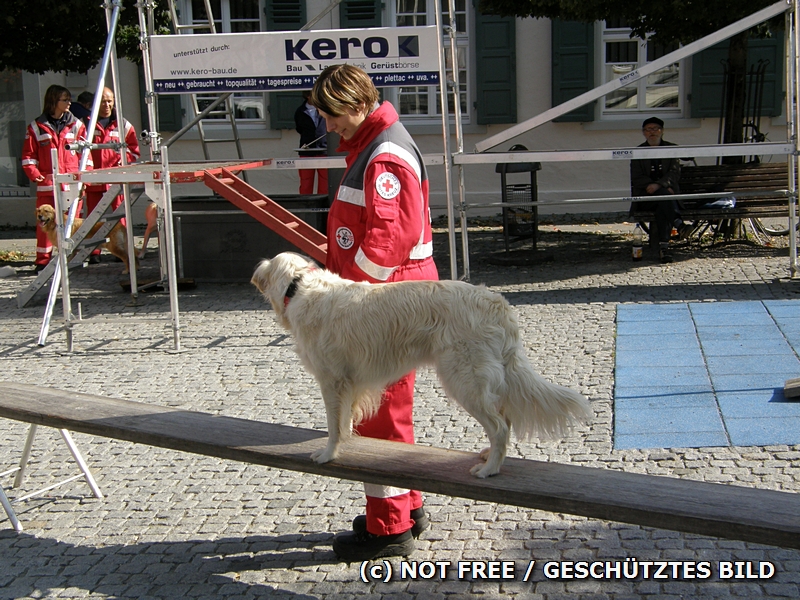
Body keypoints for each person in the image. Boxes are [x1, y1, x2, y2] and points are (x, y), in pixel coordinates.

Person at [310, 64, 438, 562]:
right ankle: (406, 507)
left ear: (356, 105)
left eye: (332, 115)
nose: (329, 126)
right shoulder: (376, 143)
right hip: (393, 301)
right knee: (389, 407)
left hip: (383, 304)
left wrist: (348, 301)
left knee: (378, 415)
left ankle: (388, 530)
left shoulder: (383, 152)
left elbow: (386, 247)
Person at [21, 85, 92, 272]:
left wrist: (84, 180)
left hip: (71, 184)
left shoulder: (77, 125)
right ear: (53, 101)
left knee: (72, 224)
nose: (69, 103)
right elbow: (28, 157)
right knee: (44, 225)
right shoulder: (36, 127)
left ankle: (72, 259)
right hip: (47, 185)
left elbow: (86, 156)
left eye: (69, 99)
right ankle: (42, 261)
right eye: (65, 99)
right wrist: (36, 176)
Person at [84, 87, 140, 263]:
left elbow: (134, 152)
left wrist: (121, 165)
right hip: (94, 180)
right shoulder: (85, 124)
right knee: (93, 217)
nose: (106, 105)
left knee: (120, 217)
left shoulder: (124, 125)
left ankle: (122, 249)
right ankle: (93, 252)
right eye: (102, 101)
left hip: (116, 180)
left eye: (109, 101)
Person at [630, 116, 682, 263]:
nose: (652, 132)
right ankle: (679, 224)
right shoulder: (637, 152)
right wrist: (659, 188)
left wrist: (659, 185)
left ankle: (664, 249)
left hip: (664, 197)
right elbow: (637, 177)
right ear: (643, 133)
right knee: (664, 200)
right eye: (648, 129)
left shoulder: (671, 149)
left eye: (655, 129)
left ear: (662, 131)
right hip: (646, 198)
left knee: (663, 205)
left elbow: (674, 172)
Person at [294, 90, 328, 195]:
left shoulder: (325, 109)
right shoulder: (300, 111)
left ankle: (323, 206)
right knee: (306, 182)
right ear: (308, 96)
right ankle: (306, 206)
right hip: (306, 151)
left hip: (324, 150)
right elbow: (299, 128)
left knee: (325, 182)